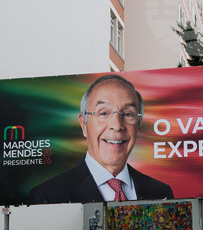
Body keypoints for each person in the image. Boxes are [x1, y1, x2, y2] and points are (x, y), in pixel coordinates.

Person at [27, 74, 174, 204]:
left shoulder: (161, 194)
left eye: (128, 114)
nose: (117, 125)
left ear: (139, 125)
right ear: (84, 124)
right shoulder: (48, 196)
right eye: (103, 113)